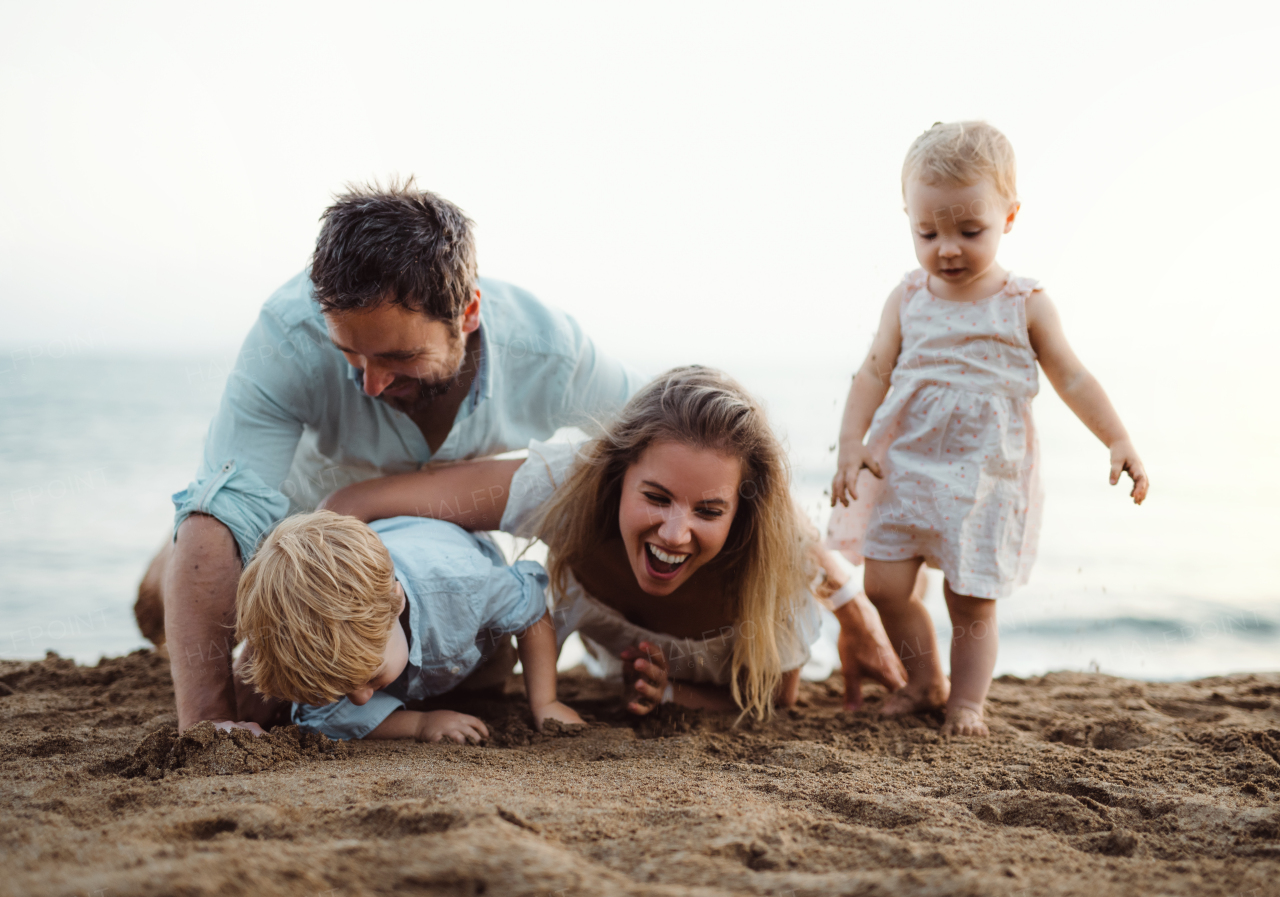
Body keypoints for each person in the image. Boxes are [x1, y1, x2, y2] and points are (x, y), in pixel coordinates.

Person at [141, 179, 643, 733]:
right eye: (350, 355)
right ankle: (171, 559)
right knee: (173, 600)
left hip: (428, 550)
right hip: (305, 542)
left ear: (468, 313)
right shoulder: (286, 335)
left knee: (481, 671)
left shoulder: (552, 352)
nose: (372, 384)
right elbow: (222, 514)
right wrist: (213, 720)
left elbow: (658, 440)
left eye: (399, 357)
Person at [323, 366, 908, 721]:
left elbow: (771, 703)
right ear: (617, 474)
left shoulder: (767, 580)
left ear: (740, 512)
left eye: (709, 510)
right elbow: (355, 505)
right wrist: (322, 621)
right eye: (655, 497)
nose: (674, 533)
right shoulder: (569, 487)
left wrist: (672, 693)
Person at [827, 121, 1150, 737]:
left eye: (968, 231)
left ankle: (966, 701)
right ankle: (923, 681)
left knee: (970, 601)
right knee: (885, 583)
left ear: (1009, 216)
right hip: (909, 465)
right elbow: (872, 372)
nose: (946, 248)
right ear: (909, 219)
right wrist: (851, 443)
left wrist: (1118, 438)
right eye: (927, 232)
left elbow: (1073, 378)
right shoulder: (908, 298)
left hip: (984, 478)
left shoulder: (1024, 302)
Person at [234, 510, 581, 743]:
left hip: (467, 628)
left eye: (370, 677)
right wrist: (421, 723)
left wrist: (545, 702)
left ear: (395, 601)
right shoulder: (341, 669)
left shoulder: (464, 583)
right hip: (401, 637)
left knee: (492, 675)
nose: (361, 699)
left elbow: (531, 607)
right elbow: (329, 716)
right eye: (343, 689)